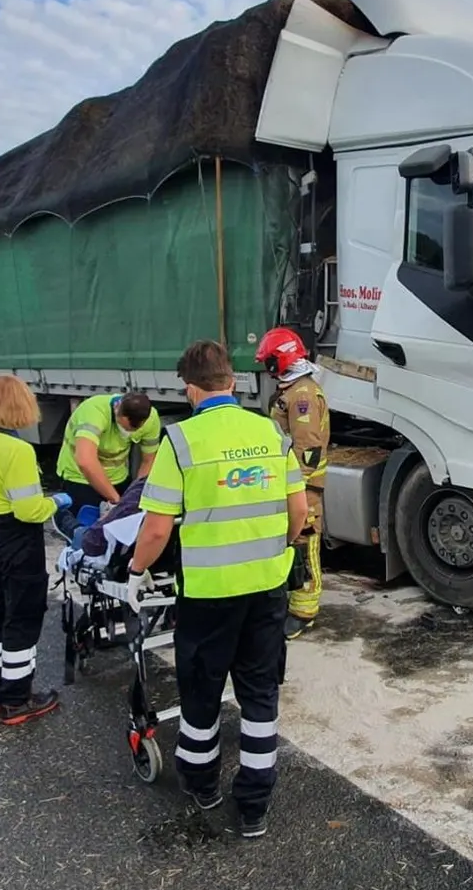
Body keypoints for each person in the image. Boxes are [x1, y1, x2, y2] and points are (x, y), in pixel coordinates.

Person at [126, 340, 307, 840]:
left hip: (209, 596)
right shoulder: (270, 432)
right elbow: (299, 514)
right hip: (267, 589)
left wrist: (137, 572)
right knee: (259, 694)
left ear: (190, 388)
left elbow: (157, 529)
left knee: (202, 694)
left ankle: (203, 784)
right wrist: (275, 550)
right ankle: (254, 805)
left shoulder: (181, 442)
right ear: (232, 382)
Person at [0, 375, 67, 725]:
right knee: (22, 615)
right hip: (17, 537)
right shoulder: (18, 450)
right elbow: (28, 510)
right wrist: (57, 502)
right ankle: (18, 699)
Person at [255, 327, 329, 639]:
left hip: (302, 486)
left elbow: (307, 448)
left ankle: (303, 611)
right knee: (292, 543)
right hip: (291, 482)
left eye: (269, 363)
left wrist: (298, 488)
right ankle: (293, 602)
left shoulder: (302, 396)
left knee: (305, 543)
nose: (267, 370)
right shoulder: (294, 389)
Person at [55, 390, 161, 528]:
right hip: (80, 478)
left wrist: (133, 496)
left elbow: (149, 460)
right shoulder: (94, 411)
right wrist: (116, 500)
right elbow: (85, 461)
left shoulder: (151, 419)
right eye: (125, 427)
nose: (128, 433)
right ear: (118, 410)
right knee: (83, 534)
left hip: (118, 478)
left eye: (135, 430)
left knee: (119, 536)